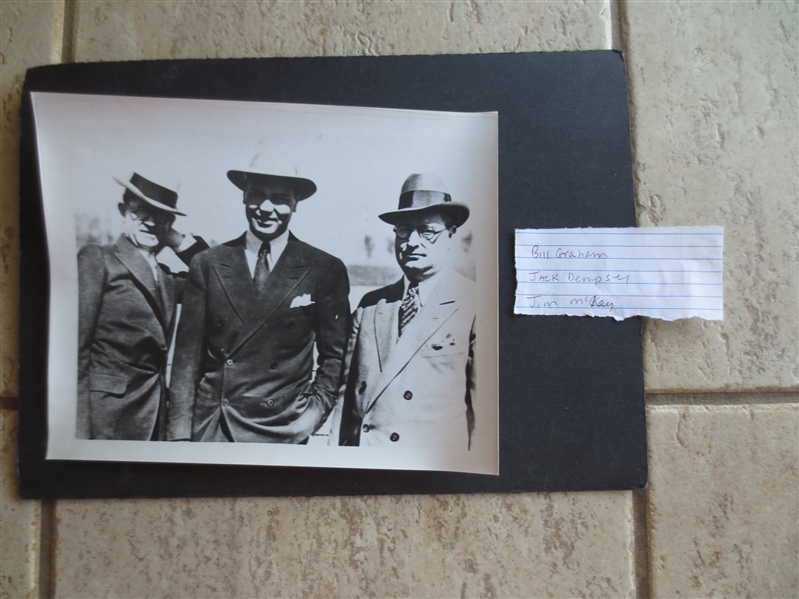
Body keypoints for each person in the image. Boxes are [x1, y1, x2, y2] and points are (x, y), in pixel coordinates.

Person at [166, 167, 350, 443]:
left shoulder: (323, 268)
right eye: (257, 195)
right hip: (214, 426)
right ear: (244, 196)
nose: (266, 208)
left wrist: (311, 415)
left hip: (284, 427)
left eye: (279, 198)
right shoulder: (207, 263)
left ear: (295, 203)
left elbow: (335, 356)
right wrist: (179, 435)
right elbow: (186, 360)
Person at [329, 172, 476, 450]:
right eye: (403, 230)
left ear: (451, 234)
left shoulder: (471, 303)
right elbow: (343, 400)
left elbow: (481, 416)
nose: (411, 242)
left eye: (427, 231)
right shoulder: (371, 305)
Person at [77, 173, 208, 440]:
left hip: (154, 416)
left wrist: (176, 239)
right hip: (105, 417)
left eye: (160, 216)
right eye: (140, 213)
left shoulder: (168, 279)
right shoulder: (98, 259)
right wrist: (77, 433)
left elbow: (215, 274)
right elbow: (75, 351)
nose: (150, 222)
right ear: (123, 211)